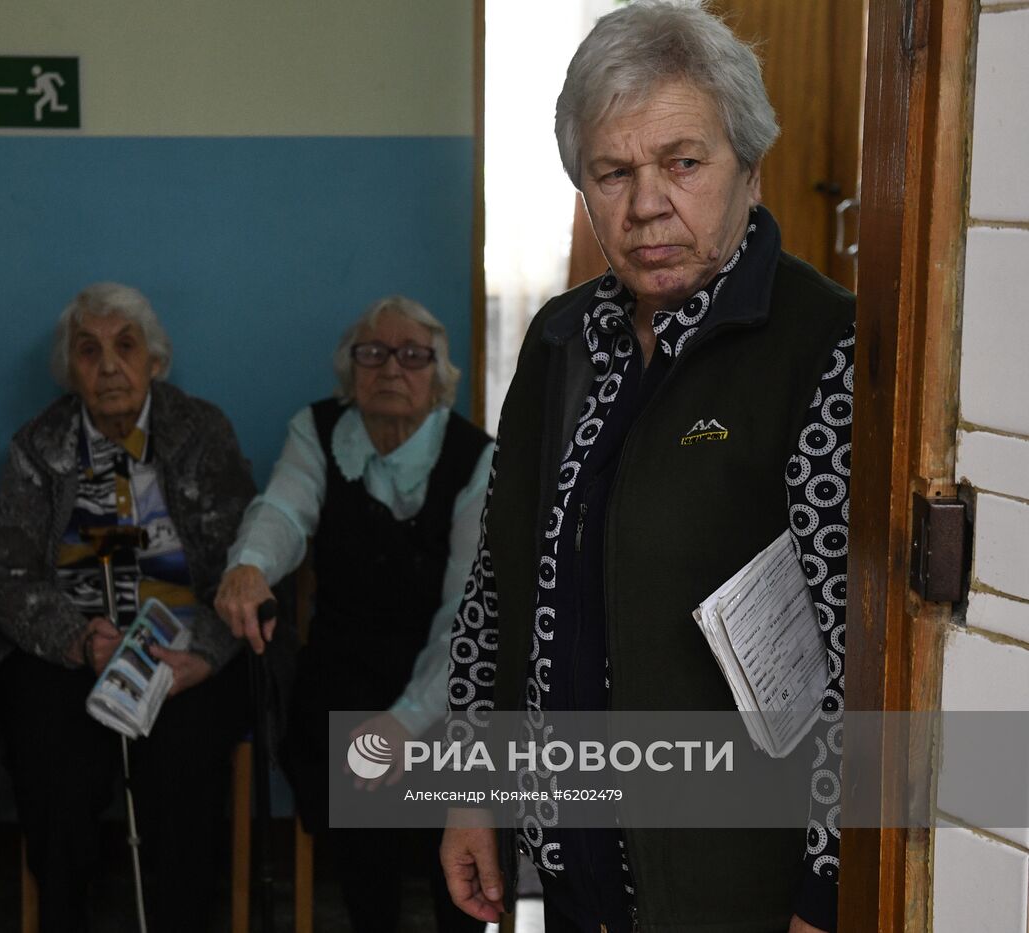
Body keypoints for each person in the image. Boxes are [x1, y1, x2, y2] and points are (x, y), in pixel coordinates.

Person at [439, 4, 853, 932]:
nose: (646, 204)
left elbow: (855, 653)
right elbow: (497, 585)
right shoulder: (561, 338)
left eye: (683, 162)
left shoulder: (822, 344)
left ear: (749, 164)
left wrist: (825, 889)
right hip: (565, 862)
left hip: (728, 883)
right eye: (612, 172)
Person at [0, 282, 255, 933]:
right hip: (73, 647)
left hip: (187, 643)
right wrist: (80, 641)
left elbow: (241, 562)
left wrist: (205, 655)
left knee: (185, 764)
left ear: (155, 361)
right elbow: (7, 577)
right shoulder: (39, 446)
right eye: (89, 350)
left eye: (125, 347)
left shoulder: (202, 431)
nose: (109, 366)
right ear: (69, 369)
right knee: (52, 759)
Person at [217, 296, 492, 933]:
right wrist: (251, 563)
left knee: (462, 768)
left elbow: (469, 615)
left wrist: (404, 724)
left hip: (445, 677)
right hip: (343, 671)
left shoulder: (477, 459)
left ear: (439, 376)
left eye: (413, 356)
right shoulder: (316, 432)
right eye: (373, 353)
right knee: (349, 764)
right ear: (350, 369)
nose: (392, 368)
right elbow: (282, 510)